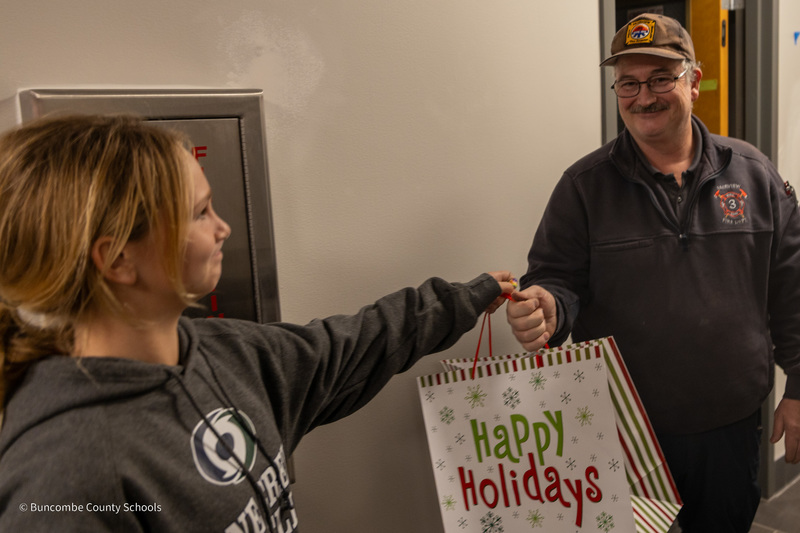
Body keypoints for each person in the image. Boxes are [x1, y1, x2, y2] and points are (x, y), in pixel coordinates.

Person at [0, 114, 516, 532]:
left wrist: (464, 300)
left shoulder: (229, 353)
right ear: (118, 260)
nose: (223, 227)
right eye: (200, 213)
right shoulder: (65, 476)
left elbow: (347, 349)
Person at [506, 12, 800, 532]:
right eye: (629, 83)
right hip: (621, 430)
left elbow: (792, 287)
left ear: (694, 81)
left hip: (729, 429)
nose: (644, 97)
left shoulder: (753, 174)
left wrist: (798, 386)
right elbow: (556, 278)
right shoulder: (583, 187)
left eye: (661, 78)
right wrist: (548, 306)